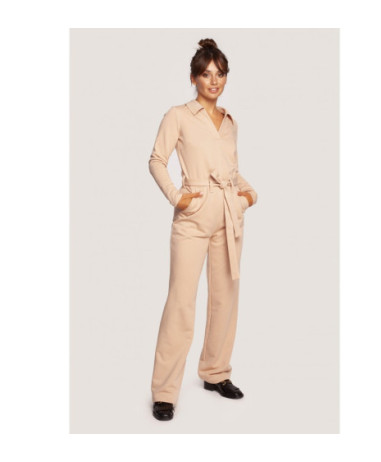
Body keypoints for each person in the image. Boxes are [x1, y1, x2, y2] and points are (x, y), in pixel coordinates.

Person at [149, 38, 258, 421]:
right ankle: (164, 392)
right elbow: (157, 160)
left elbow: (231, 169)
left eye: (220, 74)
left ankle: (215, 372)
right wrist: (177, 198)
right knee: (181, 301)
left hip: (229, 212)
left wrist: (248, 193)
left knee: (225, 297)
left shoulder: (230, 122)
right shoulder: (178, 115)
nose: (214, 81)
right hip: (194, 215)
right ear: (194, 77)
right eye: (207, 74)